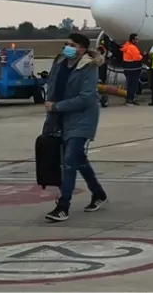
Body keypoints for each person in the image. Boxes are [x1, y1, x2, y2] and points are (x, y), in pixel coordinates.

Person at [43, 33, 108, 222]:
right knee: (79, 159)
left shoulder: (88, 67)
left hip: (81, 119)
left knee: (70, 160)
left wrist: (57, 106)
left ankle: (64, 205)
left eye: (71, 45)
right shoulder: (60, 62)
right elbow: (53, 86)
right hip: (59, 118)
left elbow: (87, 97)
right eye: (66, 44)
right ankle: (98, 193)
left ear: (82, 49)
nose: (67, 47)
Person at [120, 33, 143, 106]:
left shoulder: (127, 46)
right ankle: (130, 100)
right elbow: (137, 57)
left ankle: (130, 99)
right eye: (136, 39)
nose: (137, 40)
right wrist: (142, 56)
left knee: (129, 84)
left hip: (128, 68)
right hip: (134, 68)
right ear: (133, 40)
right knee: (133, 85)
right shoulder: (132, 47)